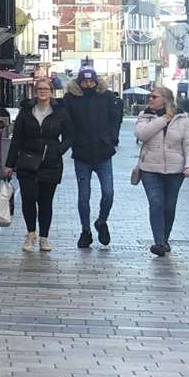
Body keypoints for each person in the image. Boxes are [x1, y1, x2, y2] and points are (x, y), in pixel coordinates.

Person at [3, 74, 73, 251]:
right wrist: (9, 164)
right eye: (40, 89)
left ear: (51, 92)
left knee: (45, 202)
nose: (43, 92)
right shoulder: (26, 111)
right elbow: (17, 138)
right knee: (28, 199)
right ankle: (30, 233)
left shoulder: (60, 112)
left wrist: (59, 150)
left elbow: (70, 135)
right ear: (36, 92)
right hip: (27, 160)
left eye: (46, 89)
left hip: (51, 163)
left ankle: (44, 237)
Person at [61, 64, 123, 248]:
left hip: (104, 153)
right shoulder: (70, 99)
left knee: (108, 192)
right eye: (84, 81)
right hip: (82, 154)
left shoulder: (106, 96)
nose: (88, 84)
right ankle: (85, 230)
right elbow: (65, 121)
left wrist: (112, 139)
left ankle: (101, 221)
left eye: (91, 81)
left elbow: (115, 117)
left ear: (96, 81)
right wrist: (71, 141)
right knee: (83, 196)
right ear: (79, 82)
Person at [134, 84, 189, 256]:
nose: (150, 99)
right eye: (150, 96)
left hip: (175, 171)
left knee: (169, 206)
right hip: (150, 168)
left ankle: (165, 238)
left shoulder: (182, 119)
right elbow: (142, 135)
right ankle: (159, 242)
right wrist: (163, 119)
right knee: (156, 203)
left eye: (154, 97)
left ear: (165, 99)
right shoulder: (145, 116)